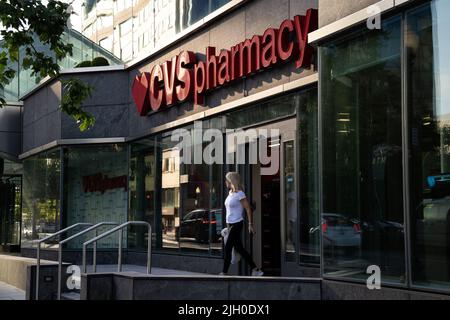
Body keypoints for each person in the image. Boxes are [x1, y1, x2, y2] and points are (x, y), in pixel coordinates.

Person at [220, 172, 264, 276]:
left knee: (228, 248)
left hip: (237, 224)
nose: (225, 182)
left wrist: (250, 224)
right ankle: (256, 270)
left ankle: (224, 272)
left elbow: (248, 209)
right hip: (230, 224)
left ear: (231, 181)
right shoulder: (231, 193)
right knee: (240, 249)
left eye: (227, 180)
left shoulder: (240, 194)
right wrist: (227, 227)